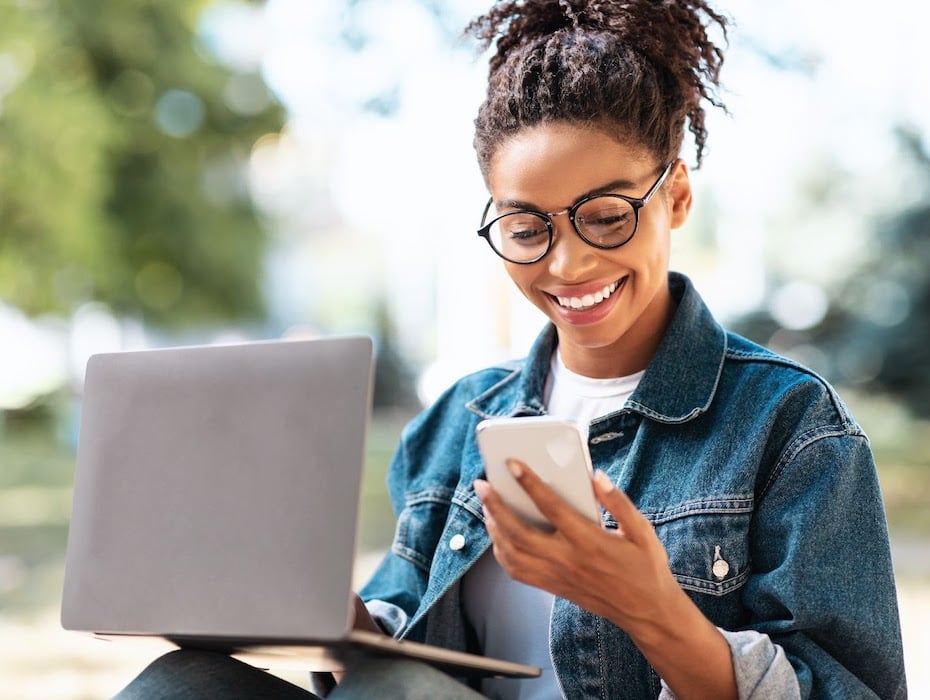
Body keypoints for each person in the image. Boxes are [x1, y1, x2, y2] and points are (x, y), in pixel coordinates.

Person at [115, 0, 907, 698]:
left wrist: (652, 609)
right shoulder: (458, 420)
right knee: (179, 683)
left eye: (605, 217)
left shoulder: (790, 425)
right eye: (528, 229)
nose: (567, 265)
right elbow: (393, 656)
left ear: (674, 197)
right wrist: (300, 601)